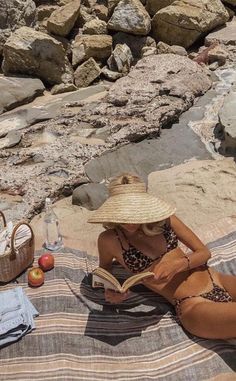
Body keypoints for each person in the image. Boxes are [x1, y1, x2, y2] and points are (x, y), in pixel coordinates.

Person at [88, 173, 236, 339]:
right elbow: (102, 274)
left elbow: (204, 253)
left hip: (217, 280)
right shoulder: (109, 240)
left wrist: (177, 265)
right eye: (123, 215)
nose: (129, 222)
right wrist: (111, 291)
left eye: (134, 214)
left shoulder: (165, 221)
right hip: (192, 304)